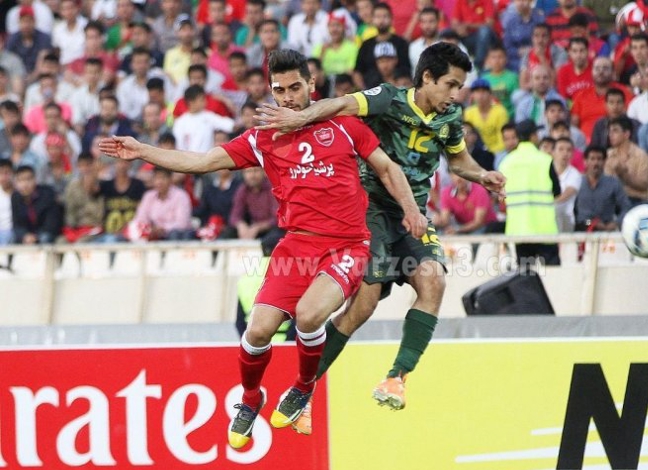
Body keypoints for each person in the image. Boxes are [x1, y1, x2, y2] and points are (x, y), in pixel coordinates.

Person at [98, 49, 427, 447]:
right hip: (295, 248)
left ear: (311, 86)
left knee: (307, 317)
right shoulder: (262, 139)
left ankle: (304, 386)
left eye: (294, 87)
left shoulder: (343, 126)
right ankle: (252, 399)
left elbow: (388, 168)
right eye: (279, 90)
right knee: (257, 331)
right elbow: (201, 162)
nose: (287, 97)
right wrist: (144, 150)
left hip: (346, 245)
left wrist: (411, 210)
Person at [255, 42, 505, 432]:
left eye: (459, 87)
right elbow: (338, 106)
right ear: (427, 78)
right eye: (451, 85)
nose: (456, 95)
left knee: (434, 280)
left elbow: (459, 161)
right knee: (363, 305)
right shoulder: (388, 99)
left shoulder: (450, 117)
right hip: (368, 209)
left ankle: (396, 377)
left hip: (412, 213)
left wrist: (482, 175)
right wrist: (298, 118)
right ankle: (304, 390)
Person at [500, 118, 561, 266]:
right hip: (545, 228)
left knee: (525, 277)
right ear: (533, 136)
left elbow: (501, 196)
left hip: (518, 229)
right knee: (553, 275)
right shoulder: (545, 160)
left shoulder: (506, 163)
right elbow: (557, 191)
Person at [11, 164, 61, 244]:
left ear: (35, 179)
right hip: (27, 236)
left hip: (45, 233)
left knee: (45, 239)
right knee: (11, 239)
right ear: (16, 183)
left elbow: (52, 224)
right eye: (20, 180)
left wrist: (36, 237)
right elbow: (16, 224)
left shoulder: (47, 194)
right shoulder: (15, 197)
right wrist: (25, 235)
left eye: (28, 179)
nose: (25, 184)